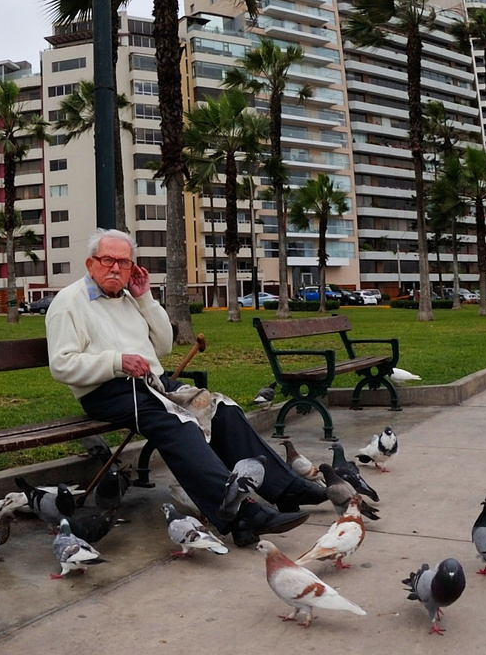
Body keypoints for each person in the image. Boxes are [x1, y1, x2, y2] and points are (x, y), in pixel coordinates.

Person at [46, 230, 327, 546]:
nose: (115, 268)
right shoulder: (70, 302)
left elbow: (164, 346)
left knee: (221, 409)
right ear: (91, 263)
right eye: (107, 259)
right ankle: (240, 512)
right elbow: (61, 365)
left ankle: (285, 488)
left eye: (123, 262)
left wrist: (145, 298)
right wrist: (116, 362)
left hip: (152, 383)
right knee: (178, 425)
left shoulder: (129, 299)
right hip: (107, 391)